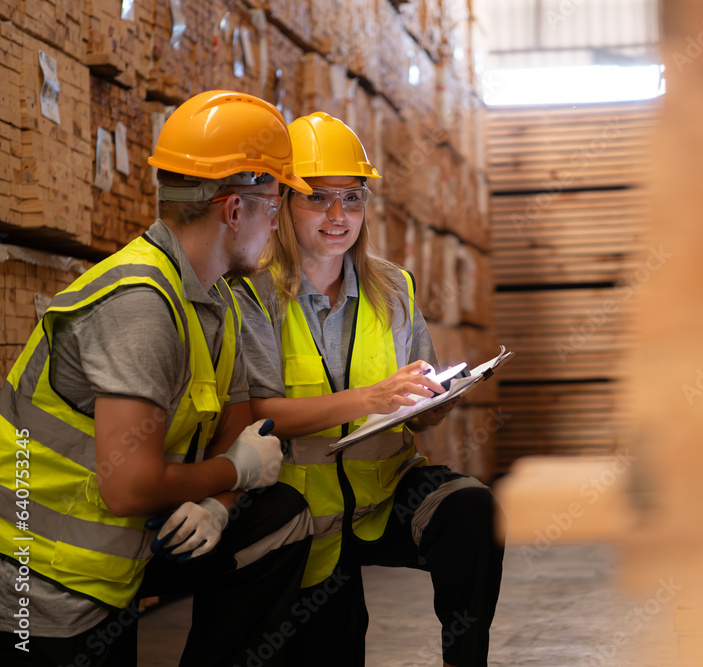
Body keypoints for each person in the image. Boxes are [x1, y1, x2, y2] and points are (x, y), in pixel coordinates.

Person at [0, 90, 315, 667]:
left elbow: (242, 422)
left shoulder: (214, 296)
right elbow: (129, 486)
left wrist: (221, 502)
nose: (277, 227)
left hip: (117, 557)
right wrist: (234, 471)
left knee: (278, 517)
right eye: (273, 207)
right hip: (40, 583)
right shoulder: (141, 308)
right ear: (233, 210)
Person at [232, 112, 505, 667]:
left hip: (383, 495)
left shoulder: (394, 288)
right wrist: (371, 399)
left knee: (471, 511)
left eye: (352, 199)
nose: (338, 215)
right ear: (283, 203)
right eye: (319, 198)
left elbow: (415, 393)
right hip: (301, 512)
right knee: (333, 642)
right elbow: (258, 414)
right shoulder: (252, 294)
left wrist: (430, 405)